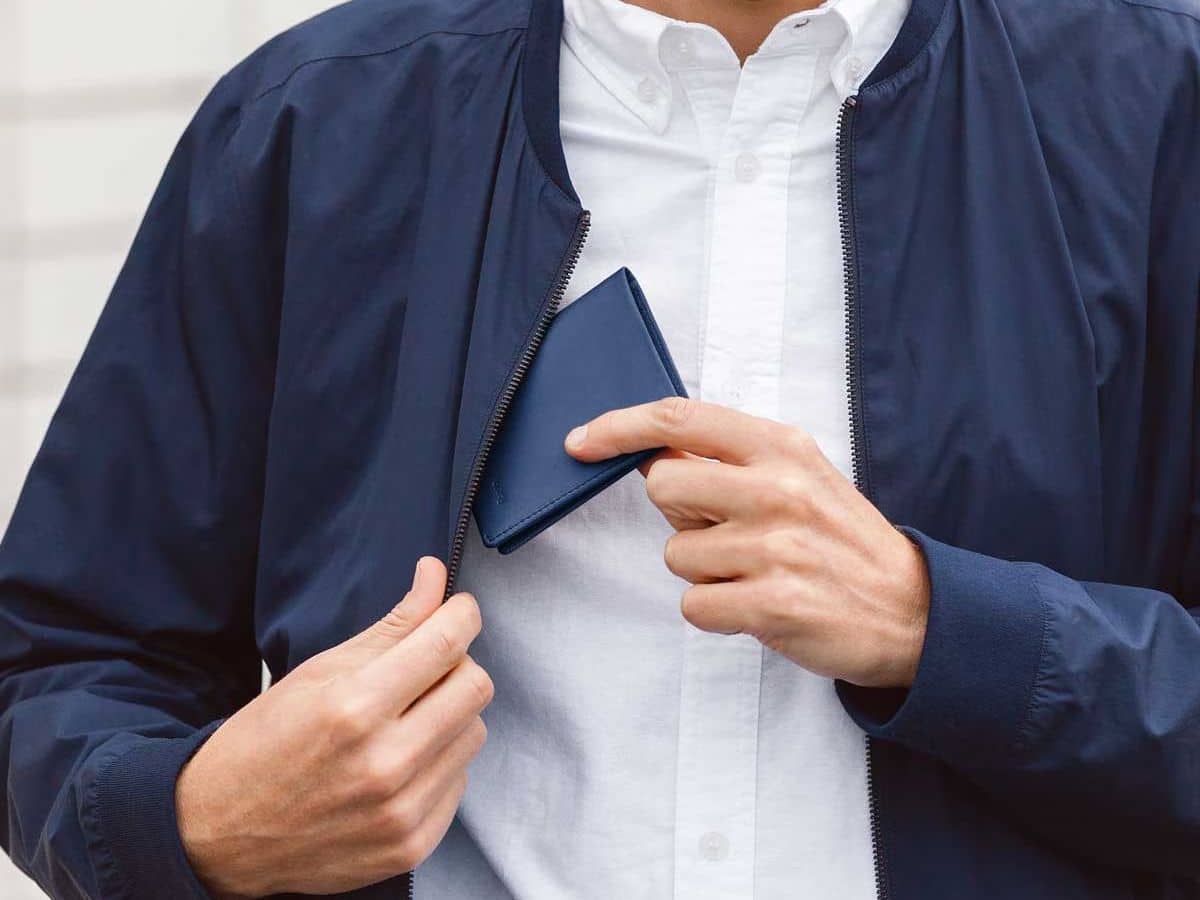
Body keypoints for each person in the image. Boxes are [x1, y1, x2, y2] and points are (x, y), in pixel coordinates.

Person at [1, 0, 1198, 897]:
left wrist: (944, 631)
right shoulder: (315, 123)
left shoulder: (1156, 109)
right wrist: (192, 818)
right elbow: (62, 655)